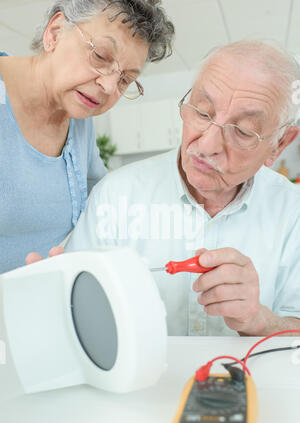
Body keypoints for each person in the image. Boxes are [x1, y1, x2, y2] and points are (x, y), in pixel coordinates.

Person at [28, 40, 300, 337]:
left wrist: (261, 321)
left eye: (243, 131)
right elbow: (73, 311)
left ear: (280, 144)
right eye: (203, 112)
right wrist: (56, 302)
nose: (206, 146)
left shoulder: (292, 212)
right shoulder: (116, 195)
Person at [0, 0, 174, 274]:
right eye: (101, 56)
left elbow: (101, 194)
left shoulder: (78, 117)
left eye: (124, 79)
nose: (107, 86)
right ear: (55, 32)